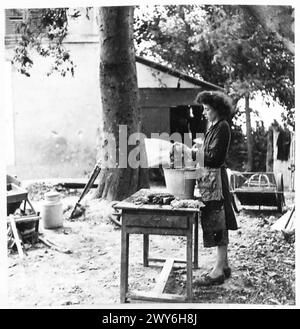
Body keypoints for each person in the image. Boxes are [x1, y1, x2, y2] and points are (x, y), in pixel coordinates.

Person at [173, 90, 238, 286]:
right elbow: (207, 152)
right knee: (216, 221)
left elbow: (215, 158)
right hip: (210, 182)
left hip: (216, 182)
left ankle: (218, 271)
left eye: (208, 109)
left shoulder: (223, 128)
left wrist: (190, 154)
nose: (205, 113)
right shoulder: (213, 127)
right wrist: (195, 150)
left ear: (218, 110)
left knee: (218, 222)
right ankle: (224, 265)